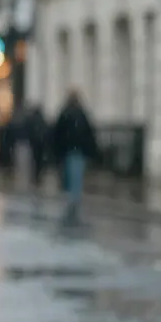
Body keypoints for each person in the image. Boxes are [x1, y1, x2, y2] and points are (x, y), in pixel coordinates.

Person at [50, 90, 98, 226]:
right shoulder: (82, 114)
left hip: (68, 150)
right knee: (76, 174)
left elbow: (57, 134)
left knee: (69, 174)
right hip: (78, 150)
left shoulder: (64, 113)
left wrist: (57, 151)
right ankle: (74, 197)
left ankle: (71, 197)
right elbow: (89, 134)